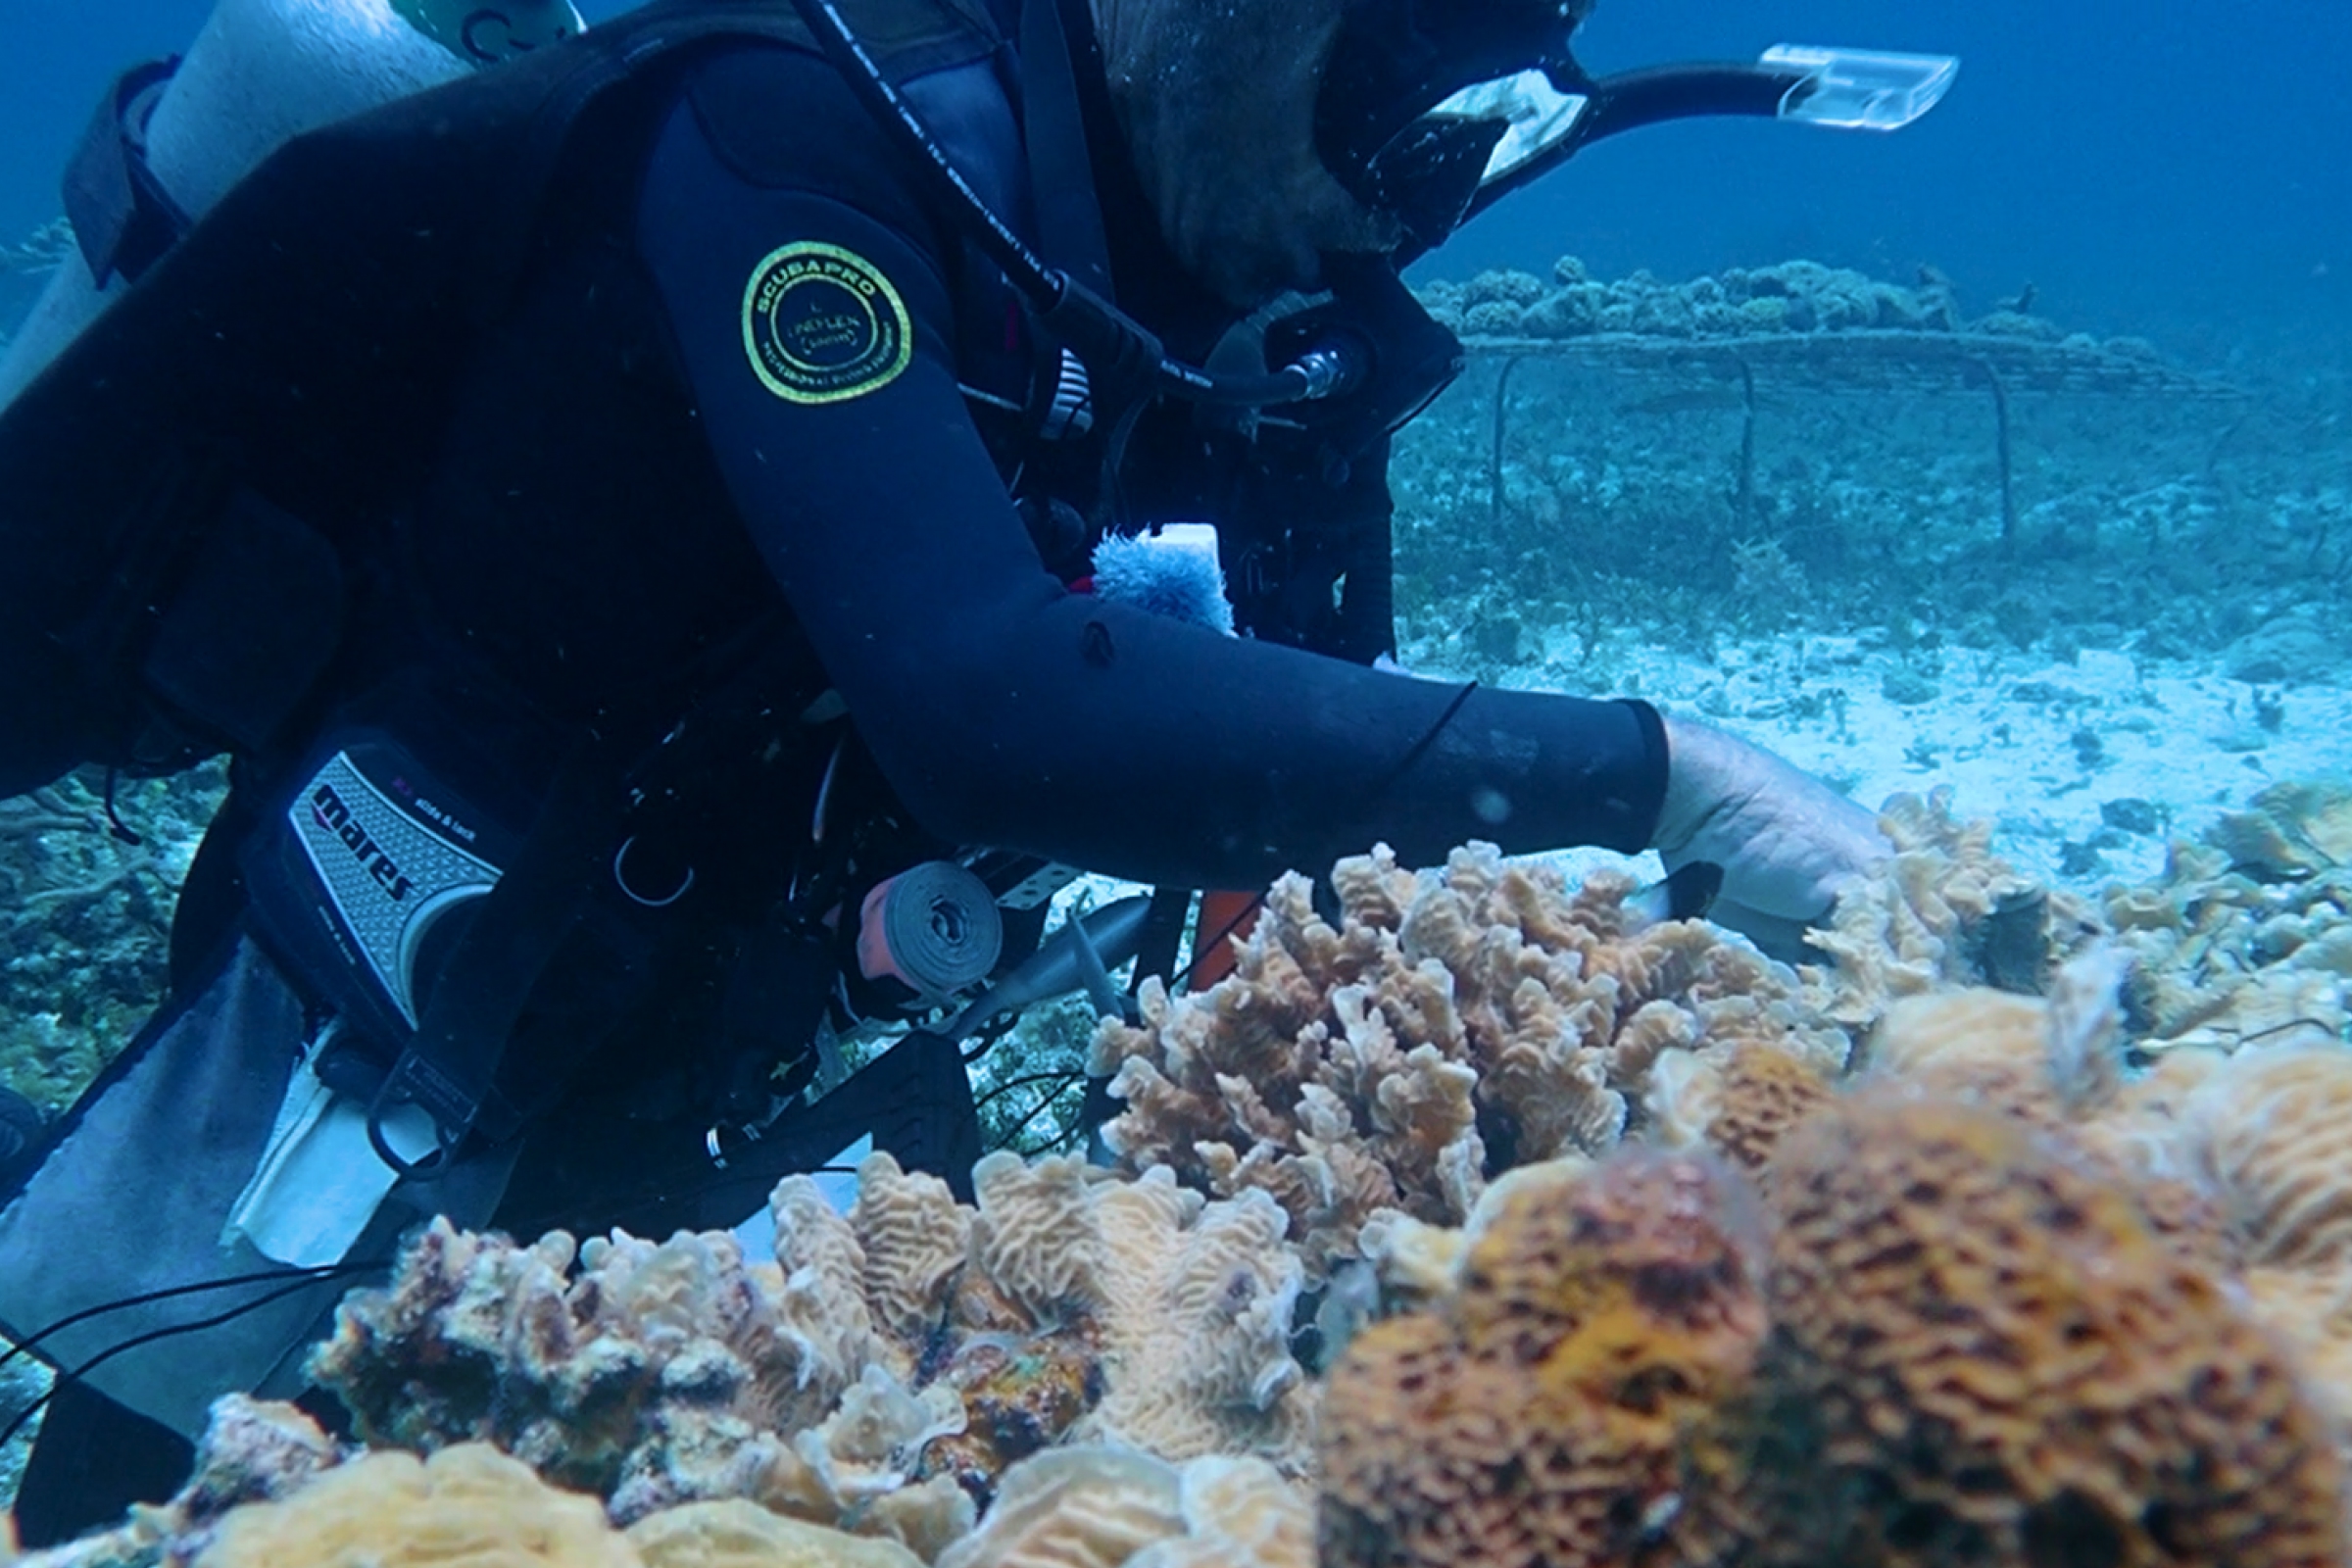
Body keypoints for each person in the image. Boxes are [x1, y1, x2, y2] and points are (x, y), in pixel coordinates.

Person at [0, 0, 1916, 1540]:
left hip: (705, 1042)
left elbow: (1317, 762)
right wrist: (1677, 775)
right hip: (367, 1020)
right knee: (187, 1482)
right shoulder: (786, 132)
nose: (1395, 196)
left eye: (1456, 130)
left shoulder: (1226, 290)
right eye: (1381, 66)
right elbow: (991, 706)